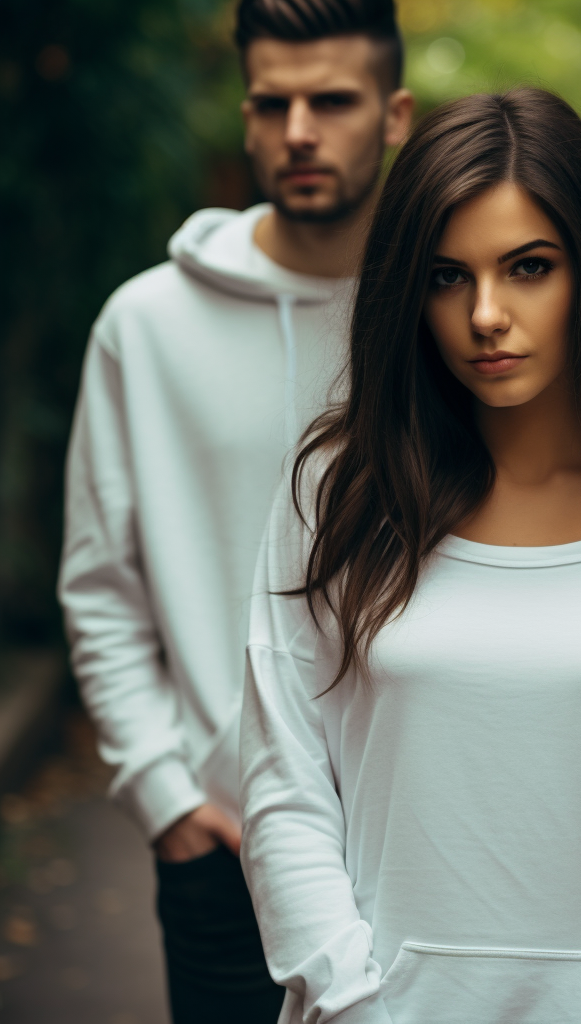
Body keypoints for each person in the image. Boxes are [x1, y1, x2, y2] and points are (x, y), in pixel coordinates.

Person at [240, 87, 581, 1024]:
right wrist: (354, 1006)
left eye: (529, 267)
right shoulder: (342, 491)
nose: (486, 314)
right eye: (447, 277)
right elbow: (285, 792)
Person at [57, 1, 413, 1020]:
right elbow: (101, 586)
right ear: (248, 117)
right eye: (273, 102)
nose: (299, 129)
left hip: (418, 840)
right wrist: (165, 796)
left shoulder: (448, 310)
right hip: (226, 843)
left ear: (394, 115)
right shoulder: (147, 324)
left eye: (332, 100)